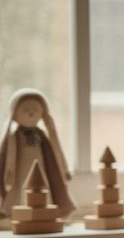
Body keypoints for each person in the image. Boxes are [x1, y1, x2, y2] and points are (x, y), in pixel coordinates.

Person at [1, 88, 75, 219]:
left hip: (41, 169)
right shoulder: (13, 137)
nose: (31, 112)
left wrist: (62, 170)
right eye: (25, 109)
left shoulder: (41, 136)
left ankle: (43, 209)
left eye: (35, 109)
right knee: (20, 189)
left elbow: (53, 154)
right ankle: (16, 211)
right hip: (19, 171)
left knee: (41, 189)